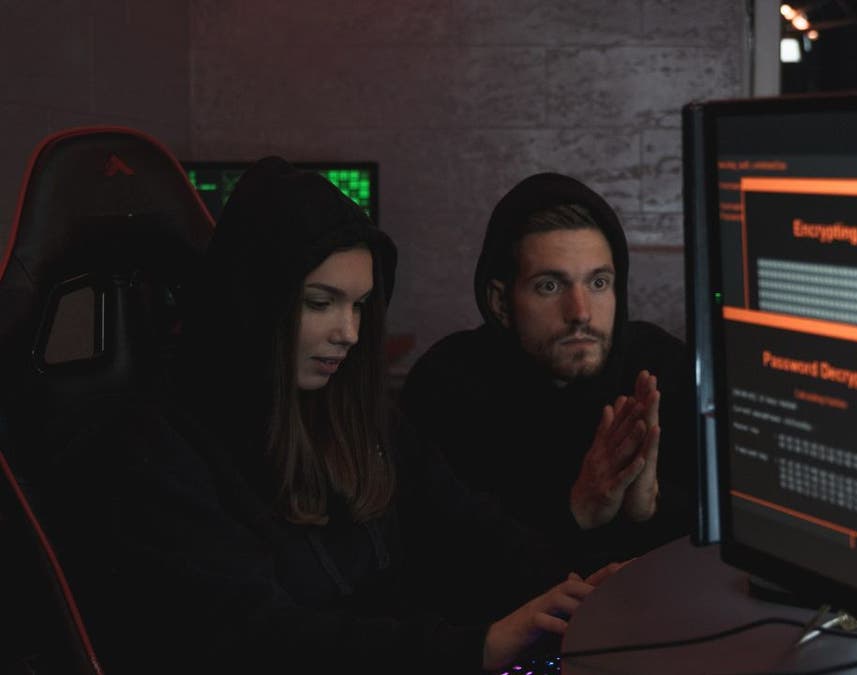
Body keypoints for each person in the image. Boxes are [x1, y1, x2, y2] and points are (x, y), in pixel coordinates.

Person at [48, 158, 617, 674]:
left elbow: (465, 525)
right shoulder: (157, 450)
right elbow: (257, 639)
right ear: (256, 301)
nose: (348, 333)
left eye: (361, 306)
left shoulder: (351, 412)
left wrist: (582, 591)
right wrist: (477, 649)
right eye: (320, 303)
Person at [398, 172, 695, 564]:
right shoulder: (446, 388)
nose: (580, 313)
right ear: (501, 303)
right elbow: (436, 563)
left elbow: (743, 527)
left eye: (599, 283)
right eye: (549, 287)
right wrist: (576, 510)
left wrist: (652, 507)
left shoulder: (660, 367)